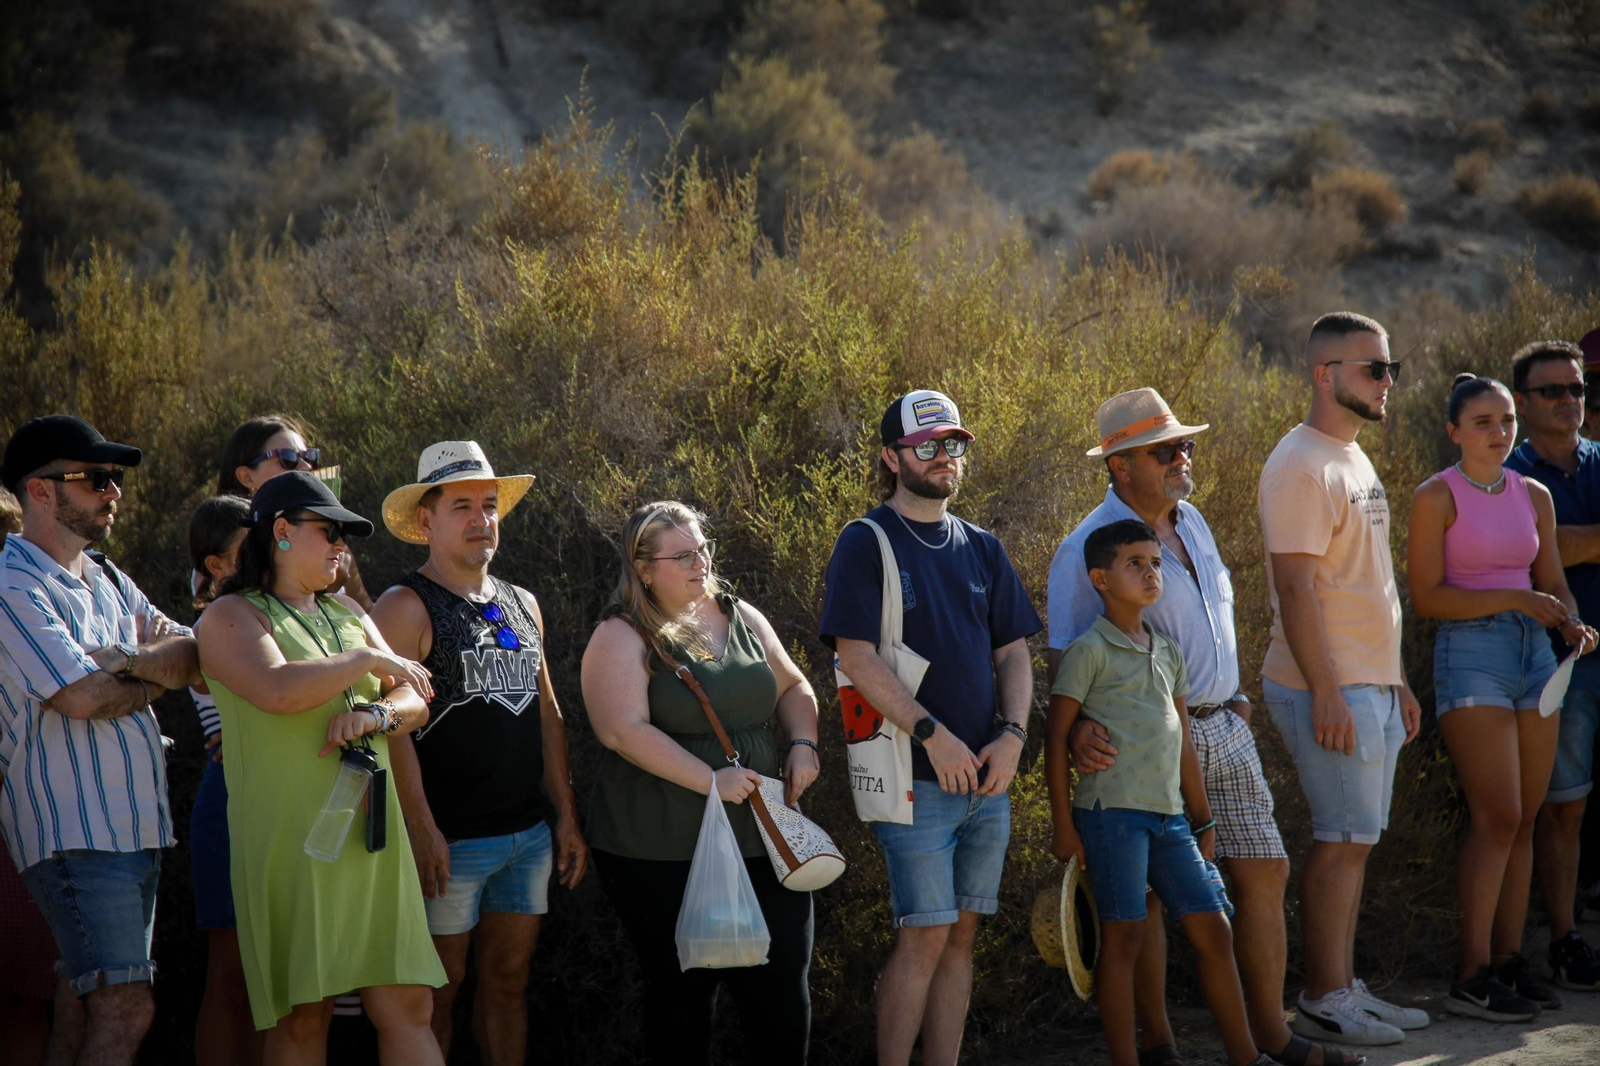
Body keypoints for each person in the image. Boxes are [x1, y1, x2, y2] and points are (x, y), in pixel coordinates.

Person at [1048, 389, 1349, 1066]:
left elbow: (1211, 623)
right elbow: (1068, 655)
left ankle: (1270, 1035)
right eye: (1165, 450)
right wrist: (1072, 736)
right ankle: (1160, 1046)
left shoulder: (1197, 521)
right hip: (1144, 745)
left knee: (1265, 868)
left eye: (1186, 445)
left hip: (1222, 723)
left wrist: (1235, 700)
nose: (1183, 458)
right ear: (1120, 465)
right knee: (1147, 902)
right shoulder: (1084, 549)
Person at [195, 471, 447, 1064]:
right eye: (328, 530)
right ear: (280, 531)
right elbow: (277, 690)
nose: (341, 545)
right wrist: (364, 658)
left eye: (345, 534)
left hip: (371, 841)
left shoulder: (348, 610)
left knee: (410, 1005)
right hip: (293, 844)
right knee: (304, 1016)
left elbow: (414, 696)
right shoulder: (231, 615)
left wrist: (376, 715)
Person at [819, 390, 1040, 1066]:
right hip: (914, 778)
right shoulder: (867, 541)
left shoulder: (982, 546)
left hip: (987, 779)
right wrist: (932, 735)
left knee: (961, 937)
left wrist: (1012, 735)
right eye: (927, 447)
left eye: (954, 445)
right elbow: (852, 655)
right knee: (924, 934)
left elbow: (1014, 653)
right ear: (892, 457)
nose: (945, 458)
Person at [371, 441, 588, 1066]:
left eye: (489, 506)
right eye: (462, 505)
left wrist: (565, 815)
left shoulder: (522, 602)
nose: (480, 519)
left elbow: (547, 713)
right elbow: (388, 728)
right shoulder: (404, 606)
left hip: (526, 836)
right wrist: (421, 826)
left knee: (508, 985)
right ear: (426, 521)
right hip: (450, 841)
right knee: (435, 994)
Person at [582, 501, 821, 1065]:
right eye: (683, 555)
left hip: (764, 838)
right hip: (663, 848)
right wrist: (712, 779)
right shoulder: (621, 634)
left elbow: (793, 687)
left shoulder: (742, 616)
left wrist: (804, 744)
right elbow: (620, 730)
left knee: (783, 987)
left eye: (704, 550)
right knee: (683, 998)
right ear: (644, 569)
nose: (701, 563)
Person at [0, 415, 203, 1066]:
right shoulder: (12, 585)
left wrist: (119, 660)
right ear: (40, 491)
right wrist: (148, 669)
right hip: (75, 835)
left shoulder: (108, 578)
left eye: (114, 479)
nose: (113, 492)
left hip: (131, 831)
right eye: (94, 479)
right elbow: (80, 698)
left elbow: (193, 651)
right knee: (126, 1006)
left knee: (80, 1003)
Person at [1257, 313, 1428, 1046]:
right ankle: (1324, 997)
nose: (1387, 381)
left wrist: (1396, 683)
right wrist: (1328, 689)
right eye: (1373, 369)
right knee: (1340, 838)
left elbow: (1366, 584)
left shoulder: (1350, 456)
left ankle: (1343, 987)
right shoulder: (1302, 464)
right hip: (1327, 685)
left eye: (1390, 368)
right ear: (1324, 374)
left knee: (1357, 839)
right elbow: (1296, 593)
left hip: (1369, 683)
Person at [1047, 519, 1272, 1066]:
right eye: (1135, 564)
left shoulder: (1167, 651)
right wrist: (1063, 826)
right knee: (1122, 942)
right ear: (1100, 579)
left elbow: (1183, 742)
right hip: (1111, 817)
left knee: (1215, 931)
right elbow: (1056, 739)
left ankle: (1248, 1056)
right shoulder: (1089, 651)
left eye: (1155, 563)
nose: (1151, 573)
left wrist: (1203, 818)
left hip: (1172, 820)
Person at [1409, 372, 1596, 1019]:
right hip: (1471, 654)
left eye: (1507, 420)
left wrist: (1570, 621)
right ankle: (1471, 973)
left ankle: (1509, 962)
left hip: (1537, 656)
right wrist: (1518, 598)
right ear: (1454, 431)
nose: (1499, 432)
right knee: (1497, 816)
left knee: (1523, 817)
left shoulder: (1534, 494)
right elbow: (1428, 597)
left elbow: (1552, 580)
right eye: (1483, 422)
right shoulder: (1437, 496)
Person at [1503, 339, 1600, 990]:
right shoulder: (1506, 473)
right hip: (1558, 661)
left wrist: (1570, 547)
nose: (1569, 401)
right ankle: (1563, 939)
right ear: (1520, 402)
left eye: (1577, 389)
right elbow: (1533, 552)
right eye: (1553, 391)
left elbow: (1557, 550)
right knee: (1561, 808)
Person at [184, 494, 263, 1066]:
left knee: (273, 980)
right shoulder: (213, 626)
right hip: (232, 801)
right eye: (250, 548)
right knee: (232, 974)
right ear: (216, 564)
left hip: (274, 799)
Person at [217, 414, 371, 610]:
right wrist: (319, 591)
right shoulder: (225, 542)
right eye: (287, 459)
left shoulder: (328, 539)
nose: (306, 467)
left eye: (309, 457)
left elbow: (367, 615)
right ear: (246, 477)